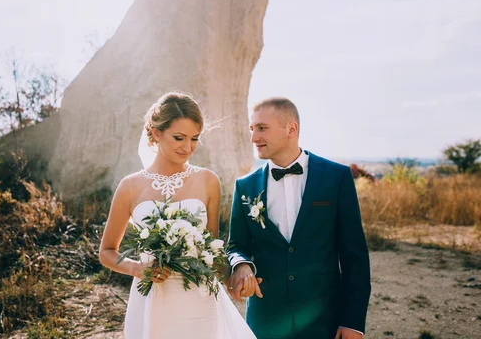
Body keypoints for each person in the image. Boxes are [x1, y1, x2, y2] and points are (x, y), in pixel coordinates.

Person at [99, 92, 256, 339]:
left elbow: (212, 250)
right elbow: (107, 252)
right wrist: (138, 269)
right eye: (179, 138)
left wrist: (234, 278)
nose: (188, 147)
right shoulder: (130, 186)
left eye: (195, 138)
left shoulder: (208, 180)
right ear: (155, 133)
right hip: (153, 299)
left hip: (201, 299)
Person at [227, 97, 371, 339]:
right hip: (266, 318)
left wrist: (353, 321)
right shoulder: (245, 186)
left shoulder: (336, 177)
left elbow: (354, 256)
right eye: (252, 129)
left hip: (324, 317)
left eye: (262, 128)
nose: (253, 137)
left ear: (291, 129)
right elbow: (236, 245)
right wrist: (241, 264)